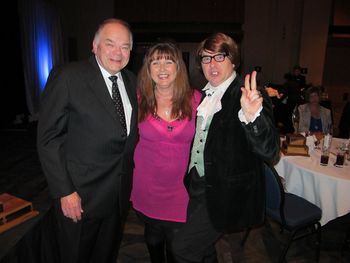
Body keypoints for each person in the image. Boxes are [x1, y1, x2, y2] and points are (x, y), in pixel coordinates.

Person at [171, 32, 280, 262]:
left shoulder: (250, 95)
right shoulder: (203, 95)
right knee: (205, 249)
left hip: (227, 194)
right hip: (198, 185)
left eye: (219, 56)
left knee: (182, 249)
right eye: (206, 58)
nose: (212, 64)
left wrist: (253, 117)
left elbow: (270, 151)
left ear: (233, 60)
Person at [37, 18, 138, 263]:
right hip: (80, 197)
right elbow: (48, 138)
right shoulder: (68, 76)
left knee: (105, 254)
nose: (118, 52)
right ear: (94, 46)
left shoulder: (131, 80)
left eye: (125, 47)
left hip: (116, 197)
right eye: (110, 44)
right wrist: (65, 191)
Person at [130, 42, 201, 262]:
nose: (162, 68)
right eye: (155, 62)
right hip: (147, 186)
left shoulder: (196, 99)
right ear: (148, 68)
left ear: (178, 67)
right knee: (152, 237)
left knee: (176, 245)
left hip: (181, 190)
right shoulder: (137, 99)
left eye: (168, 61)